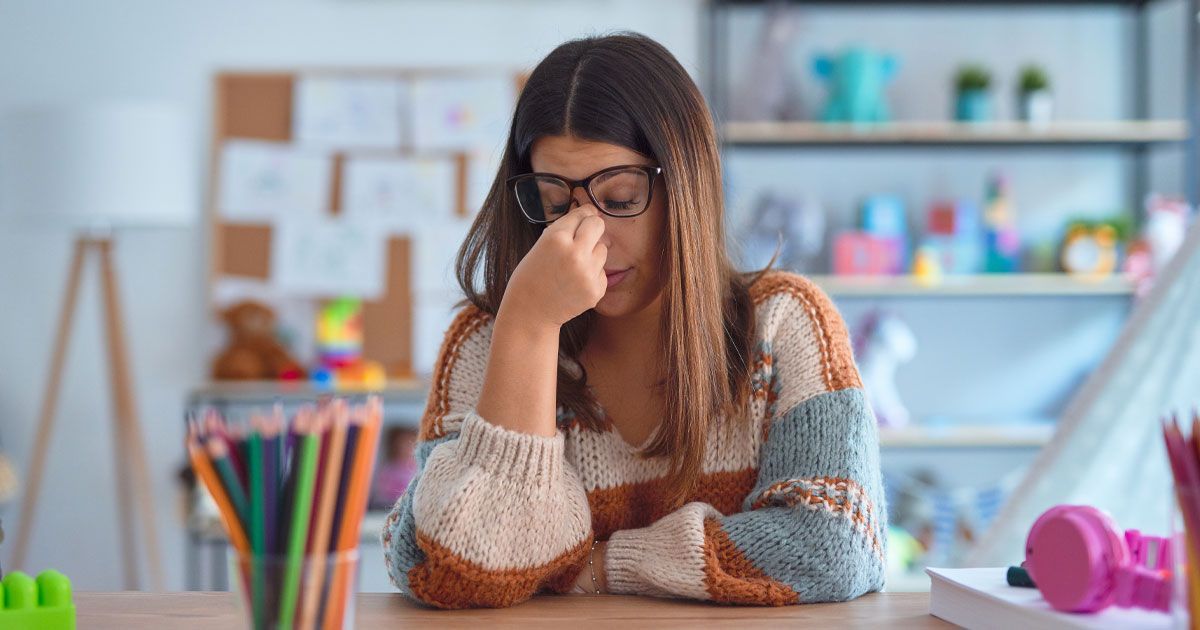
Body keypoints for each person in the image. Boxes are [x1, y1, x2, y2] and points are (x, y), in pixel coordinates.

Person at [381, 32, 886, 609]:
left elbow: (836, 544)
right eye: (554, 203)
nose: (583, 236)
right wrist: (528, 328)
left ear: (687, 186)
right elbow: (442, 568)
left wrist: (596, 565)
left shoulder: (785, 321)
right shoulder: (490, 339)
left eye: (619, 200)